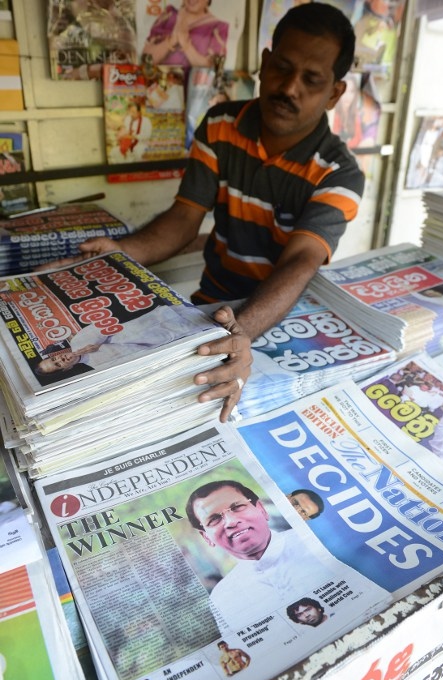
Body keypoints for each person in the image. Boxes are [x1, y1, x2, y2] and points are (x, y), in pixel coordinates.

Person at [43, 3, 363, 420]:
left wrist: (241, 332)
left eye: (312, 79)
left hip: (281, 324)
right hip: (209, 313)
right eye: (282, 68)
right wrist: (120, 251)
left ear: (335, 92)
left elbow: (301, 262)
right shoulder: (220, 125)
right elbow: (183, 219)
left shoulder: (340, 173)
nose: (290, 88)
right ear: (264, 65)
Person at [185, 479, 334, 632]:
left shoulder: (319, 543)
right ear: (206, 537)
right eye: (214, 519)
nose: (231, 522)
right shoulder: (221, 599)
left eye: (237, 507)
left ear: (262, 509)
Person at [34, 304, 214, 380]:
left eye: (54, 359)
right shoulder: (99, 367)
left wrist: (92, 345)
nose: (61, 360)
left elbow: (105, 326)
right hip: (178, 337)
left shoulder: (80, 340)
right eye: (58, 365)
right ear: (66, 369)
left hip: (161, 318)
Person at [141, 0, 229, 69]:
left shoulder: (219, 27)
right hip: (159, 87)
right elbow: (146, 59)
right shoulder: (169, 14)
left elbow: (213, 69)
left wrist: (186, 44)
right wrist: (171, 41)